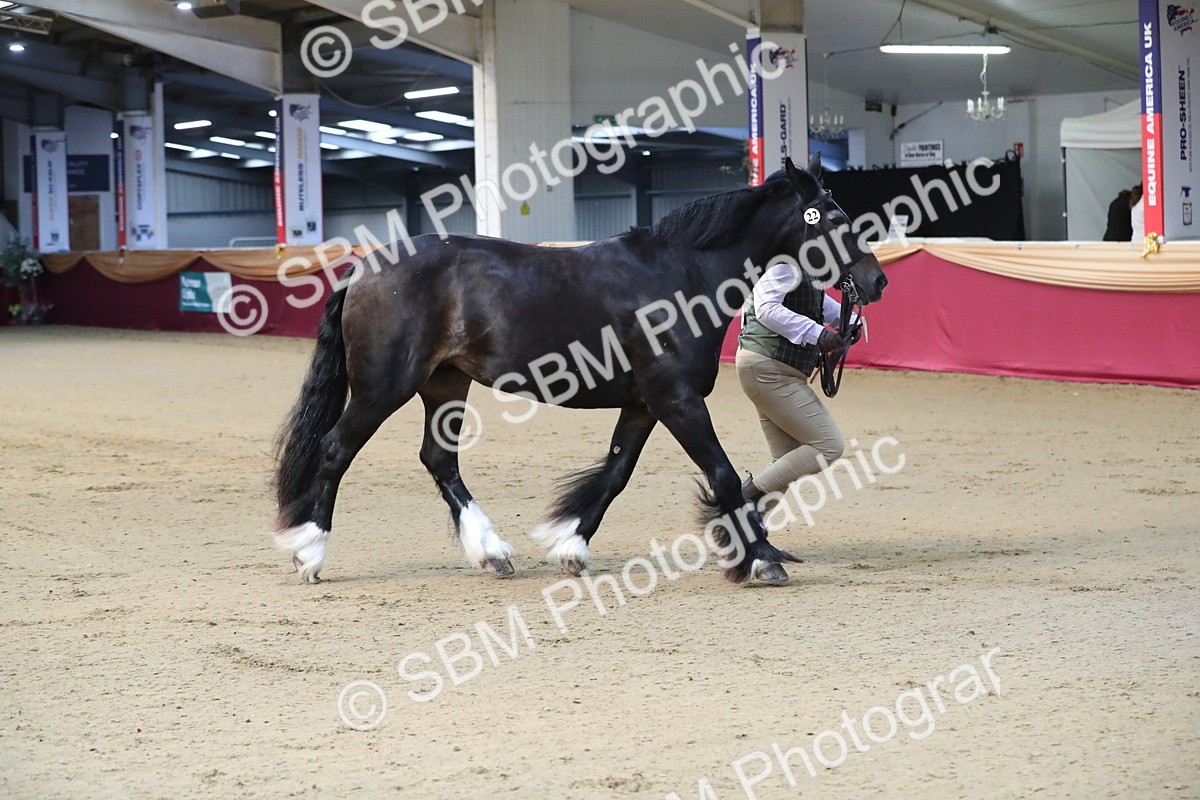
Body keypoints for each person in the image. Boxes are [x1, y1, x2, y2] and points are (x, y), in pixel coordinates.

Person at [736, 259, 855, 517]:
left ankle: (747, 529)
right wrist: (818, 334)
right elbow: (766, 308)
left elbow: (818, 305)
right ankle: (741, 498)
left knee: (786, 458)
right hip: (769, 368)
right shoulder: (783, 263)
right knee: (828, 446)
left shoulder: (801, 266)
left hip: (770, 368)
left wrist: (850, 321)